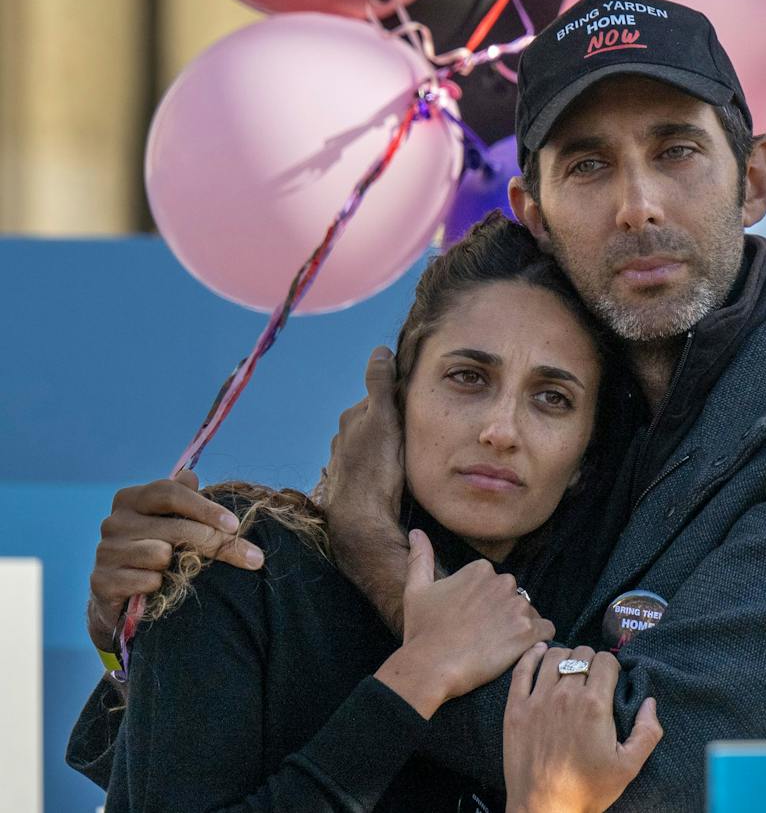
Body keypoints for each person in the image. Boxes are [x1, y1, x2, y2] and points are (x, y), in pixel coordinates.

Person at [75, 0, 766, 811]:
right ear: (534, 209)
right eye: (588, 166)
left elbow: (643, 760)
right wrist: (146, 625)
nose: (638, 203)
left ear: (753, 180)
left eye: (677, 151)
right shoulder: (545, 455)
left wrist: (379, 557)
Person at [71, 215, 662, 810]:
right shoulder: (244, 559)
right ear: (398, 398)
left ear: (589, 451)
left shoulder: (591, 637)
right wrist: (419, 676)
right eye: (467, 377)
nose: (500, 430)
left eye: (551, 398)